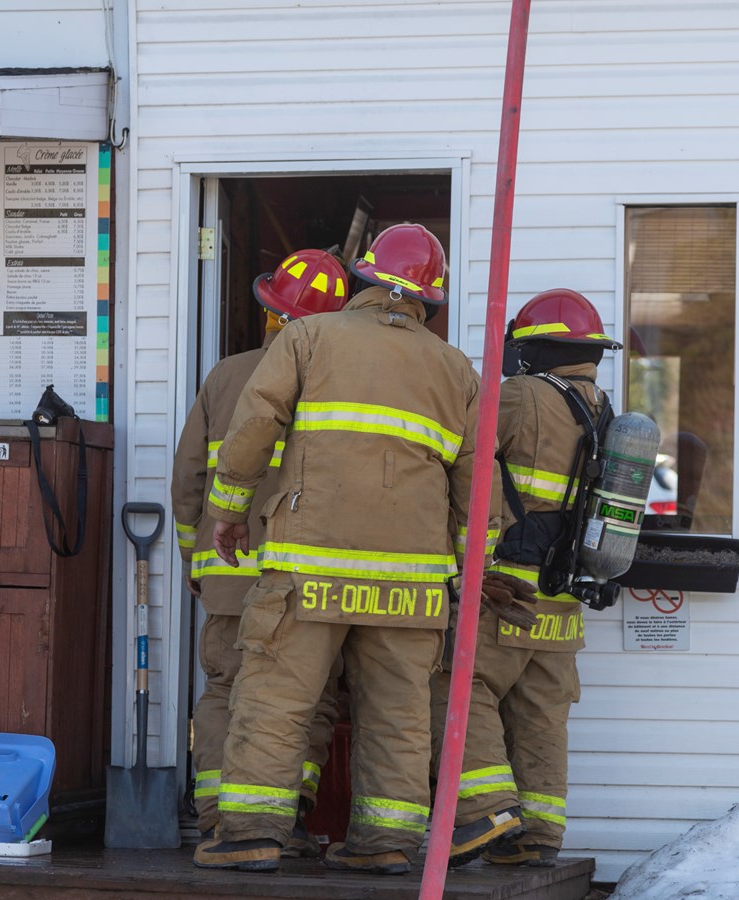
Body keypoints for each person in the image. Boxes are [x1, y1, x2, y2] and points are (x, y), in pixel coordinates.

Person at [192, 223, 504, 875]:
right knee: (398, 712)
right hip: (412, 586)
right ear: (430, 299)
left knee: (276, 698)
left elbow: (255, 424)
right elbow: (479, 488)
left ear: (362, 277)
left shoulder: (309, 337)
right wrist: (470, 569)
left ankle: (249, 832)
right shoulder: (458, 371)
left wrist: (227, 512)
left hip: (310, 568)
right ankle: (384, 842)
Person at [433, 288, 622, 867]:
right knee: (542, 714)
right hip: (563, 597)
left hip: (505, 587)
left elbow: (465, 468)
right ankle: (538, 835)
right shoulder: (603, 410)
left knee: (457, 685)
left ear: (533, 348)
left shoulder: (518, 395)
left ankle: (487, 809)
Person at [171, 248, 349, 855]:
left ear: (270, 312)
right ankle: (286, 818)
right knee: (307, 698)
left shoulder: (226, 375)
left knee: (226, 690)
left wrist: (194, 558)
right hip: (305, 575)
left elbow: (189, 478)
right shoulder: (340, 384)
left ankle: (217, 816)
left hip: (228, 573)